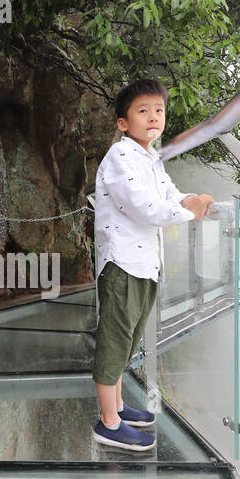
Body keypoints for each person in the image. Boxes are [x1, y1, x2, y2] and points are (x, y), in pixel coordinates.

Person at [91, 78, 213, 451]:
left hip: (145, 265)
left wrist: (189, 198)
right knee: (114, 341)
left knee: (128, 341)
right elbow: (141, 205)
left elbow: (168, 193)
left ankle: (119, 407)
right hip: (122, 264)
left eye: (158, 110)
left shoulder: (150, 158)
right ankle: (107, 423)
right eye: (143, 111)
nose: (153, 117)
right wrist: (187, 213)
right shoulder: (120, 156)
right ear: (123, 123)